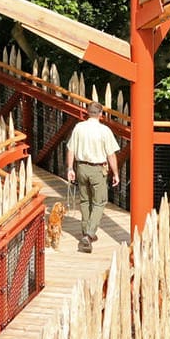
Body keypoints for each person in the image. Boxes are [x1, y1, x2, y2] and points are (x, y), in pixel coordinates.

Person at [64, 102, 120, 253]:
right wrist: (115, 173)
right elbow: (111, 154)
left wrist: (70, 168)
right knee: (99, 202)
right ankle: (89, 234)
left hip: (81, 167)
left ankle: (85, 231)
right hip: (98, 169)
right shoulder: (104, 130)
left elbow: (71, 149)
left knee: (84, 200)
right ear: (101, 114)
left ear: (87, 112)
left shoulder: (79, 127)